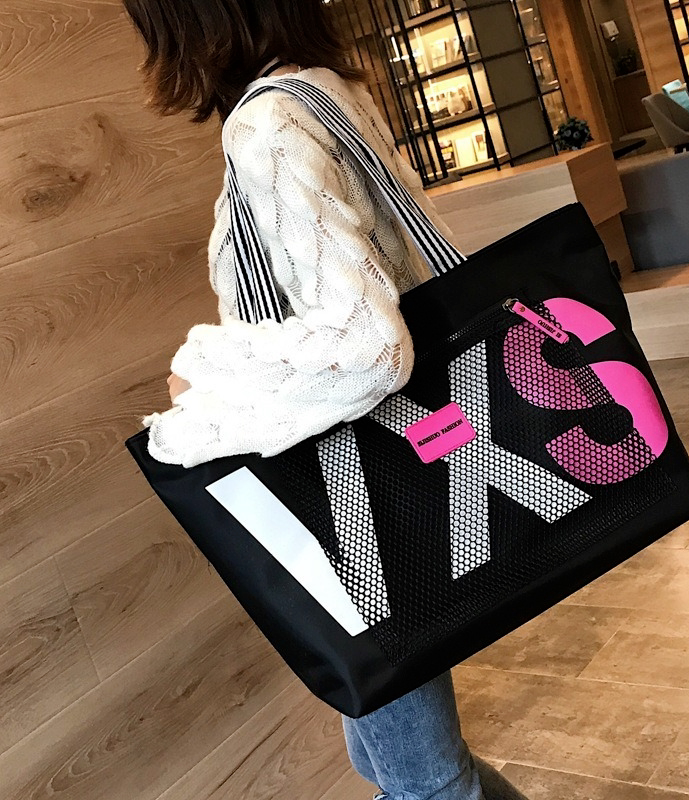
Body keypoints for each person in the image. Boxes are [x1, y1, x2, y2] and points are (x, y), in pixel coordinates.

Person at [122, 2, 531, 798]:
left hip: (361, 499)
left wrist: (212, 373)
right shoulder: (323, 89)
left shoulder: (267, 125)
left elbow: (370, 345)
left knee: (423, 780)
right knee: (399, 767)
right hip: (406, 469)